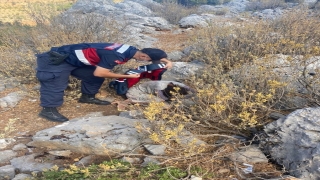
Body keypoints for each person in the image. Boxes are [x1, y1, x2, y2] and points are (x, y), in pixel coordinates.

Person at [36, 43, 172, 122]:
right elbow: (100, 72)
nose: (147, 63)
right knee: (55, 82)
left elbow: (96, 74)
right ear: (143, 56)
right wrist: (127, 77)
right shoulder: (116, 55)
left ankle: (87, 97)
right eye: (148, 60)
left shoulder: (131, 50)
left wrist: (167, 62)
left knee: (92, 76)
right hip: (56, 60)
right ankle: (48, 110)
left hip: (76, 61)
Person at [113, 81, 196, 110]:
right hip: (134, 93)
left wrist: (195, 92)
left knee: (167, 104)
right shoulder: (159, 86)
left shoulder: (174, 84)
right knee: (162, 103)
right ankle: (126, 102)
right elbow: (164, 99)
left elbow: (187, 88)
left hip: (146, 92)